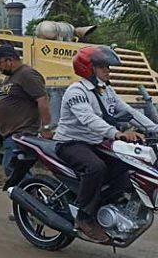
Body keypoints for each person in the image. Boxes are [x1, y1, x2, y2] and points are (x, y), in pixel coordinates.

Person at [53, 45, 158, 242]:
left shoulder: (106, 90)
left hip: (96, 141)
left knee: (127, 165)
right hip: (72, 142)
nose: (108, 70)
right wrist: (116, 133)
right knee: (96, 168)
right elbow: (89, 119)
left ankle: (107, 203)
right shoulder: (77, 91)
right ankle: (83, 218)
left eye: (108, 67)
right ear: (88, 69)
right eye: (103, 67)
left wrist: (154, 129)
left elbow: (128, 112)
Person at [0, 44, 53, 177]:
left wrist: (46, 127)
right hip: (10, 133)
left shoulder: (27, 74)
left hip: (22, 133)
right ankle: (31, 194)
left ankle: (33, 193)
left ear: (9, 60)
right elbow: (2, 101)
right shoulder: (10, 78)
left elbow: (42, 100)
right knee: (14, 169)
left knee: (12, 168)